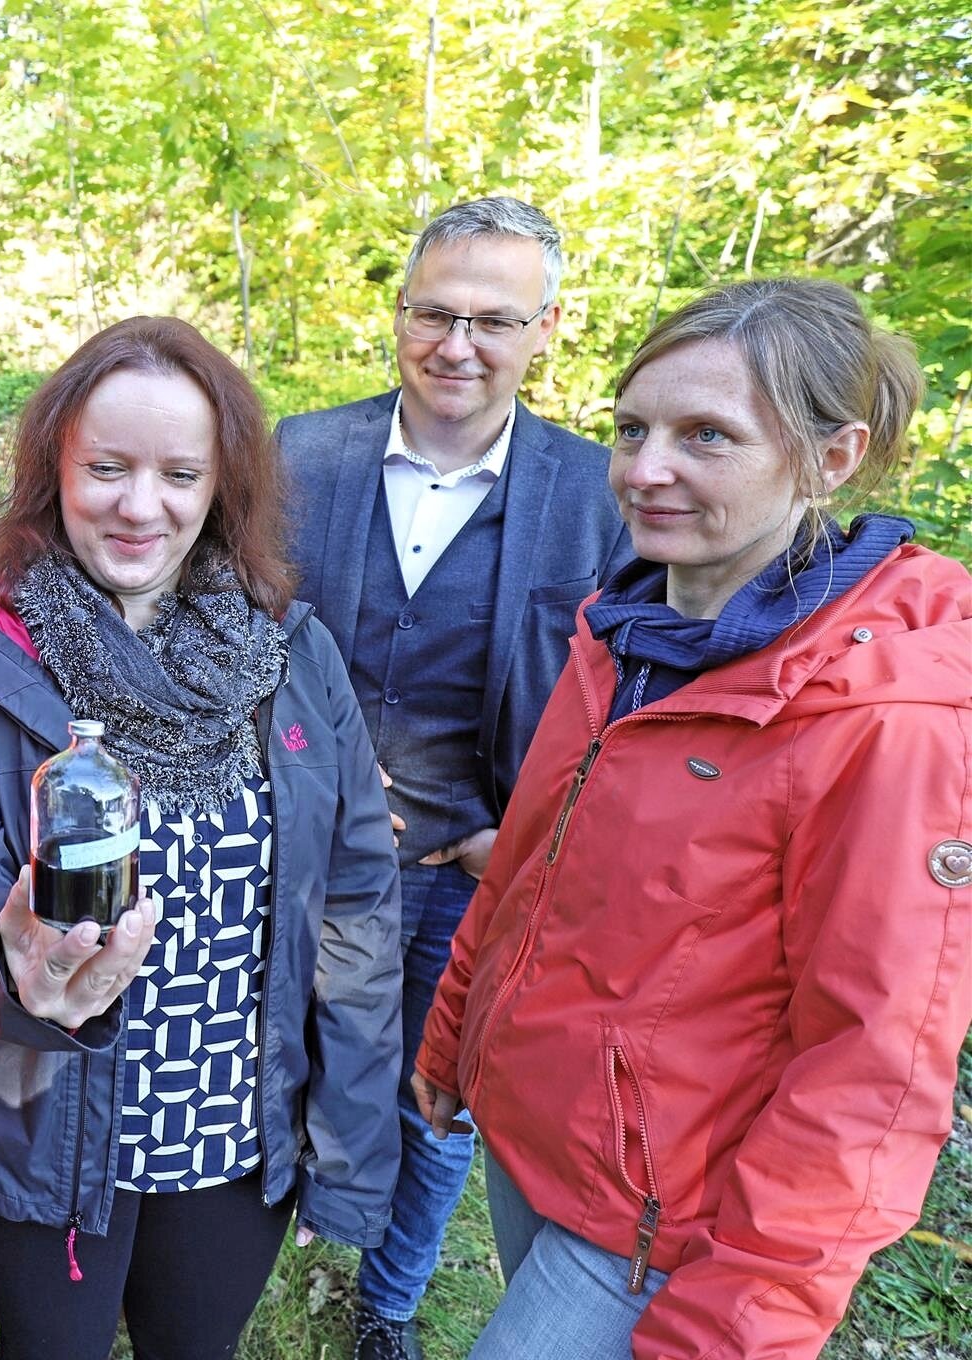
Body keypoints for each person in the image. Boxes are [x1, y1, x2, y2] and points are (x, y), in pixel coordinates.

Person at [415, 277, 972, 1359]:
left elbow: (873, 1064)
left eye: (705, 436)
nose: (644, 469)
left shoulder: (886, 717)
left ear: (833, 457)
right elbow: (533, 859)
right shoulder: (627, 626)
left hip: (669, 1223)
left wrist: (738, 1322)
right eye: (633, 428)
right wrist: (455, 1036)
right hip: (540, 1137)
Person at [0, 315, 403, 1360]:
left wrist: (348, 1144)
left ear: (223, 483)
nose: (140, 505)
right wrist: (9, 958)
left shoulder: (289, 653)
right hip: (45, 1118)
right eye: (107, 468)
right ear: (55, 470)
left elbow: (355, 904)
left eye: (179, 472)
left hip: (231, 1130)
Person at [272, 196, 631, 1360]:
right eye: (435, 311)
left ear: (547, 328)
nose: (458, 344)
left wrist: (526, 834)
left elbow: (631, 704)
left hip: (475, 872)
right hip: (300, 848)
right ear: (399, 313)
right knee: (277, 1052)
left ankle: (389, 1300)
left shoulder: (601, 495)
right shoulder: (297, 456)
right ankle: (238, 1236)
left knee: (440, 1103)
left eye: (494, 318)